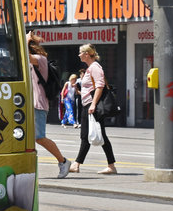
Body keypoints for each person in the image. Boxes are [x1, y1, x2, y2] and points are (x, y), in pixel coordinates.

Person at [28, 31, 71, 178]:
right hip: (29, 104)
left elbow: (25, 56)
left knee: (39, 137)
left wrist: (25, 40)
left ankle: (63, 161)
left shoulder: (40, 59)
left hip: (38, 104)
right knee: (26, 138)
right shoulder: (32, 61)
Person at [70, 44, 117, 174]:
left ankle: (77, 164)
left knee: (86, 136)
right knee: (94, 135)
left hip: (91, 106)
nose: (79, 55)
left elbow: (100, 86)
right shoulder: (90, 68)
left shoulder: (95, 68)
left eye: (80, 52)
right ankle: (111, 166)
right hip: (88, 105)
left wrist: (93, 104)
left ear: (86, 54)